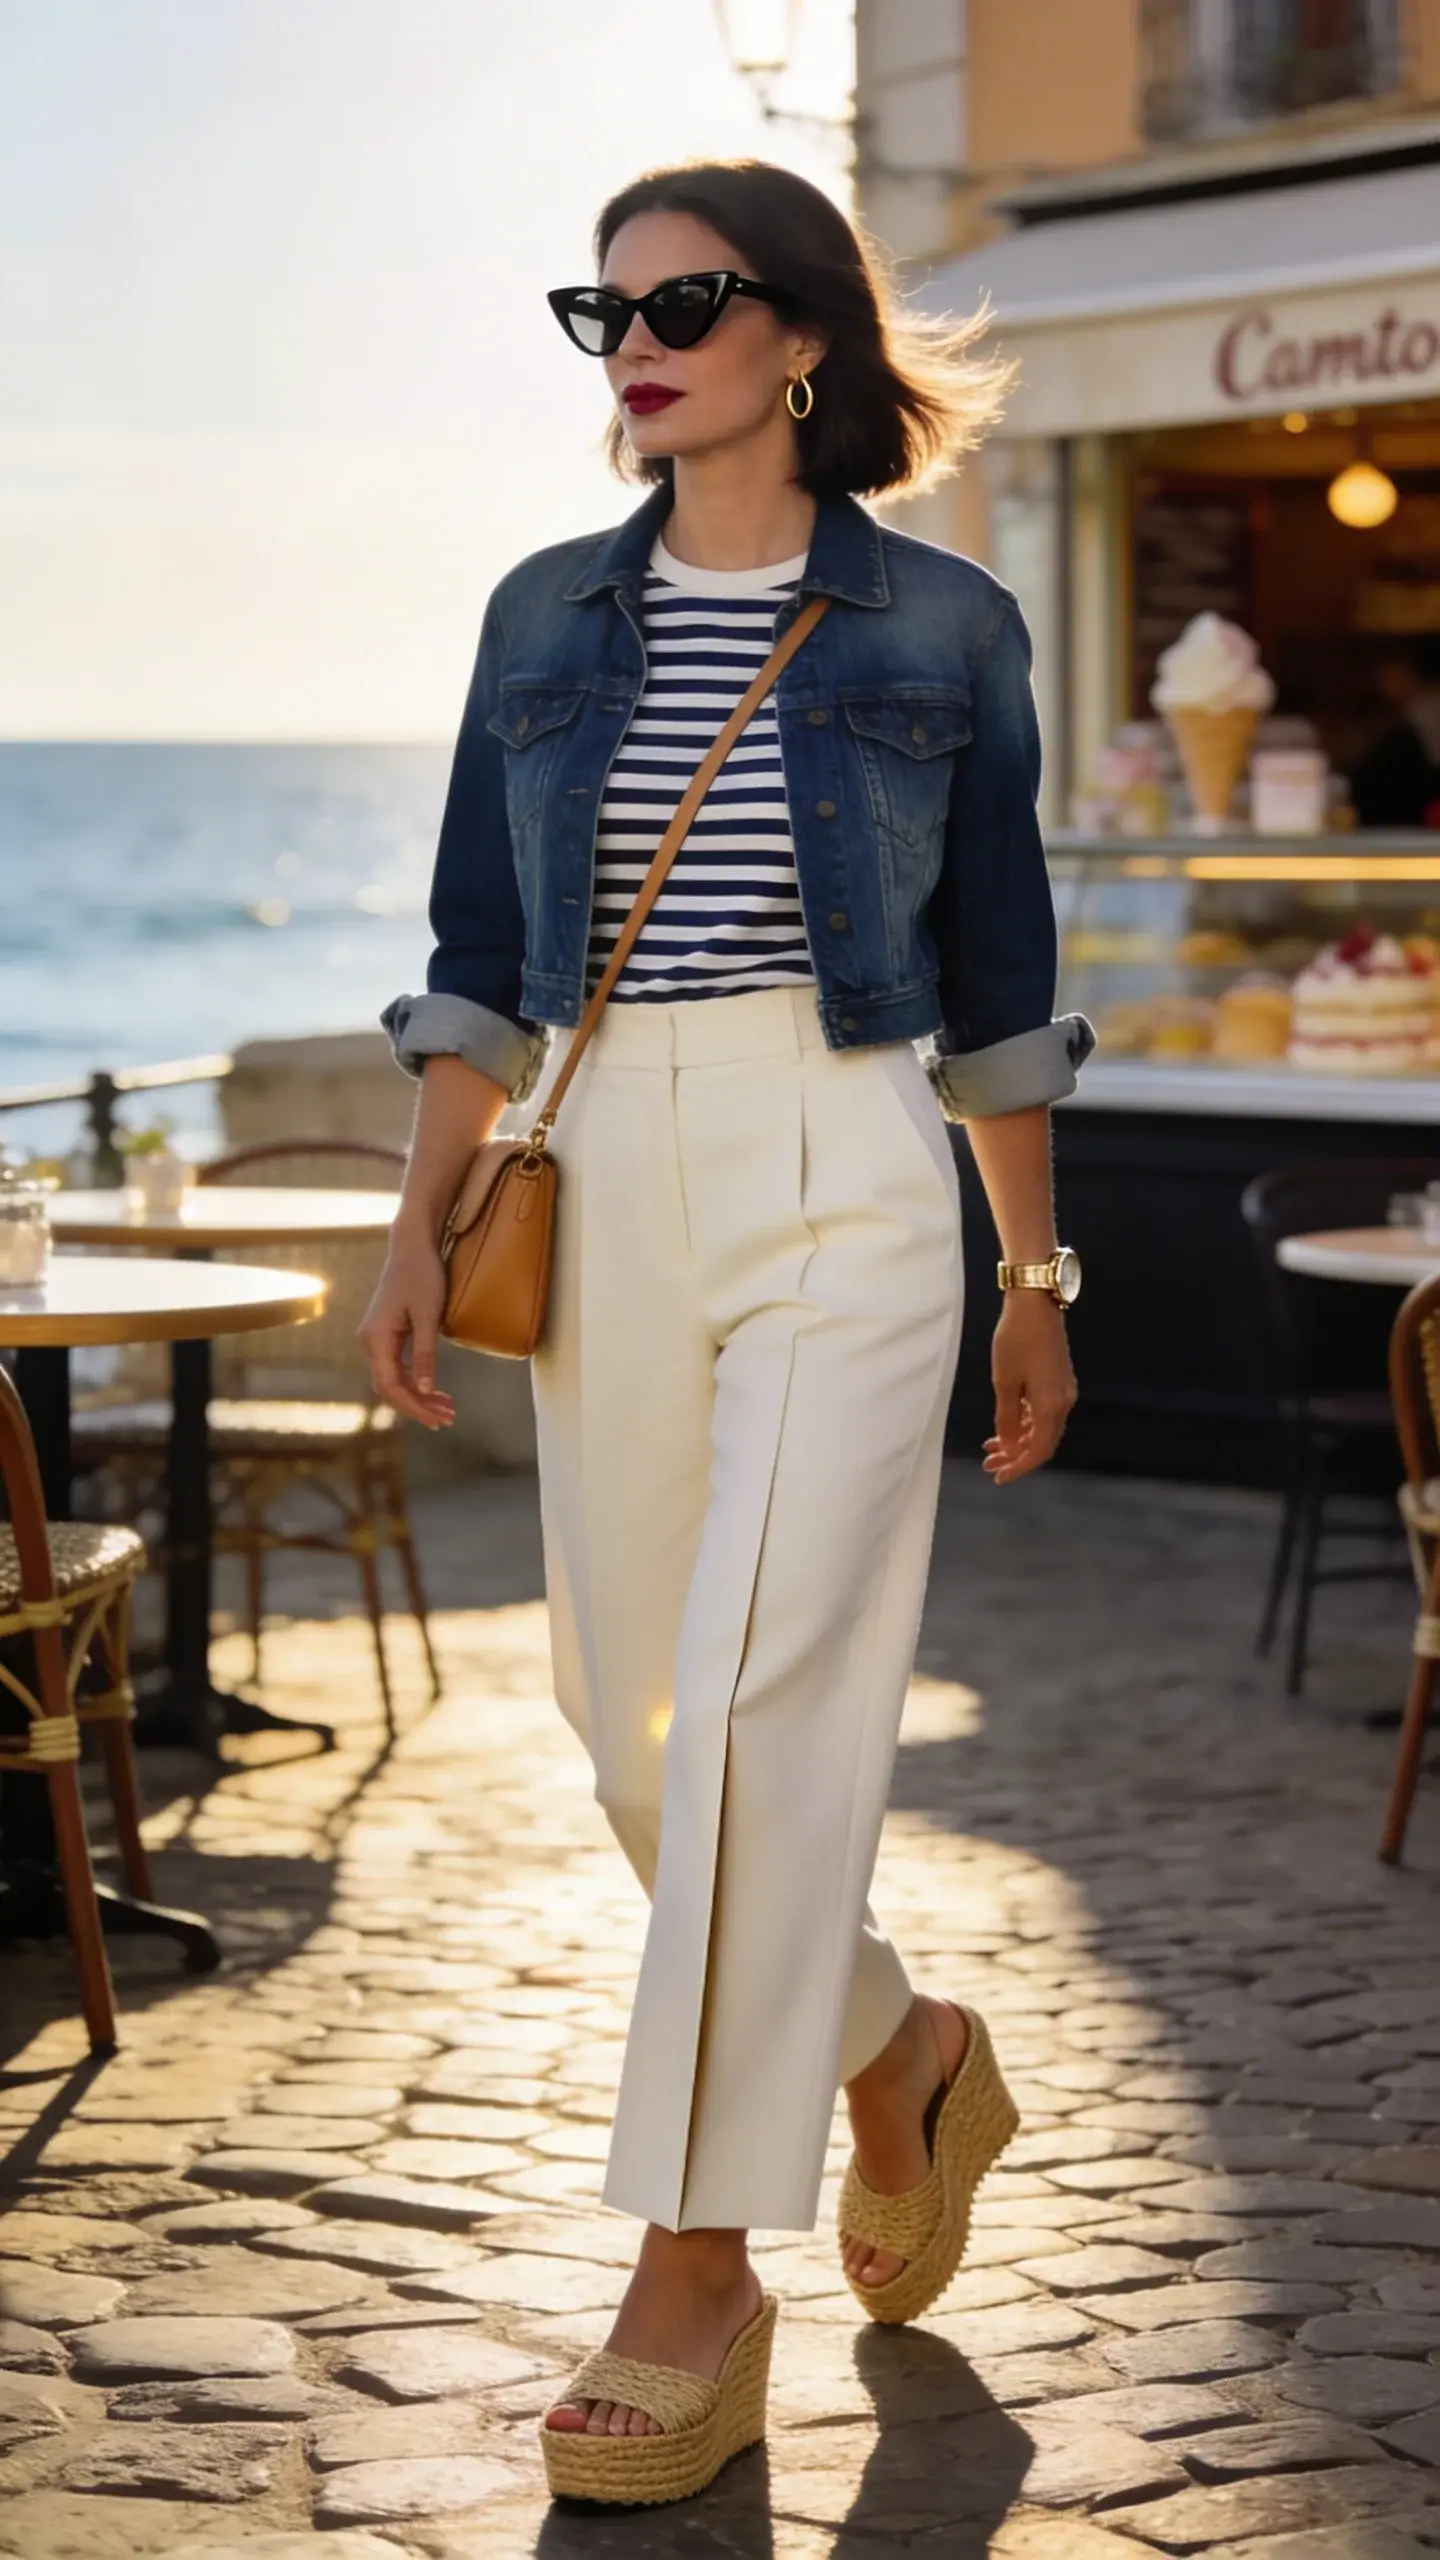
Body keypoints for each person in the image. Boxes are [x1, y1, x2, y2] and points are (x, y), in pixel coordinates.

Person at [363, 159, 1091, 2508]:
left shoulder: (942, 623)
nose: (639, 337)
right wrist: (412, 1222)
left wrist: (1033, 1273)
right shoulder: (539, 614)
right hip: (604, 1157)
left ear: (799, 333)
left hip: (848, 1170)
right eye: (609, 303)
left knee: (769, 1707)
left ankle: (694, 2275)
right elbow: (480, 945)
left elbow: (996, 990)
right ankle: (903, 2051)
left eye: (686, 297)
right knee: (624, 1719)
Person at [1351, 636, 1440, 829]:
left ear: (1406, 672)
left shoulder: (1422, 715)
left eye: (1385, 670)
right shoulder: (1406, 721)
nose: (1380, 680)